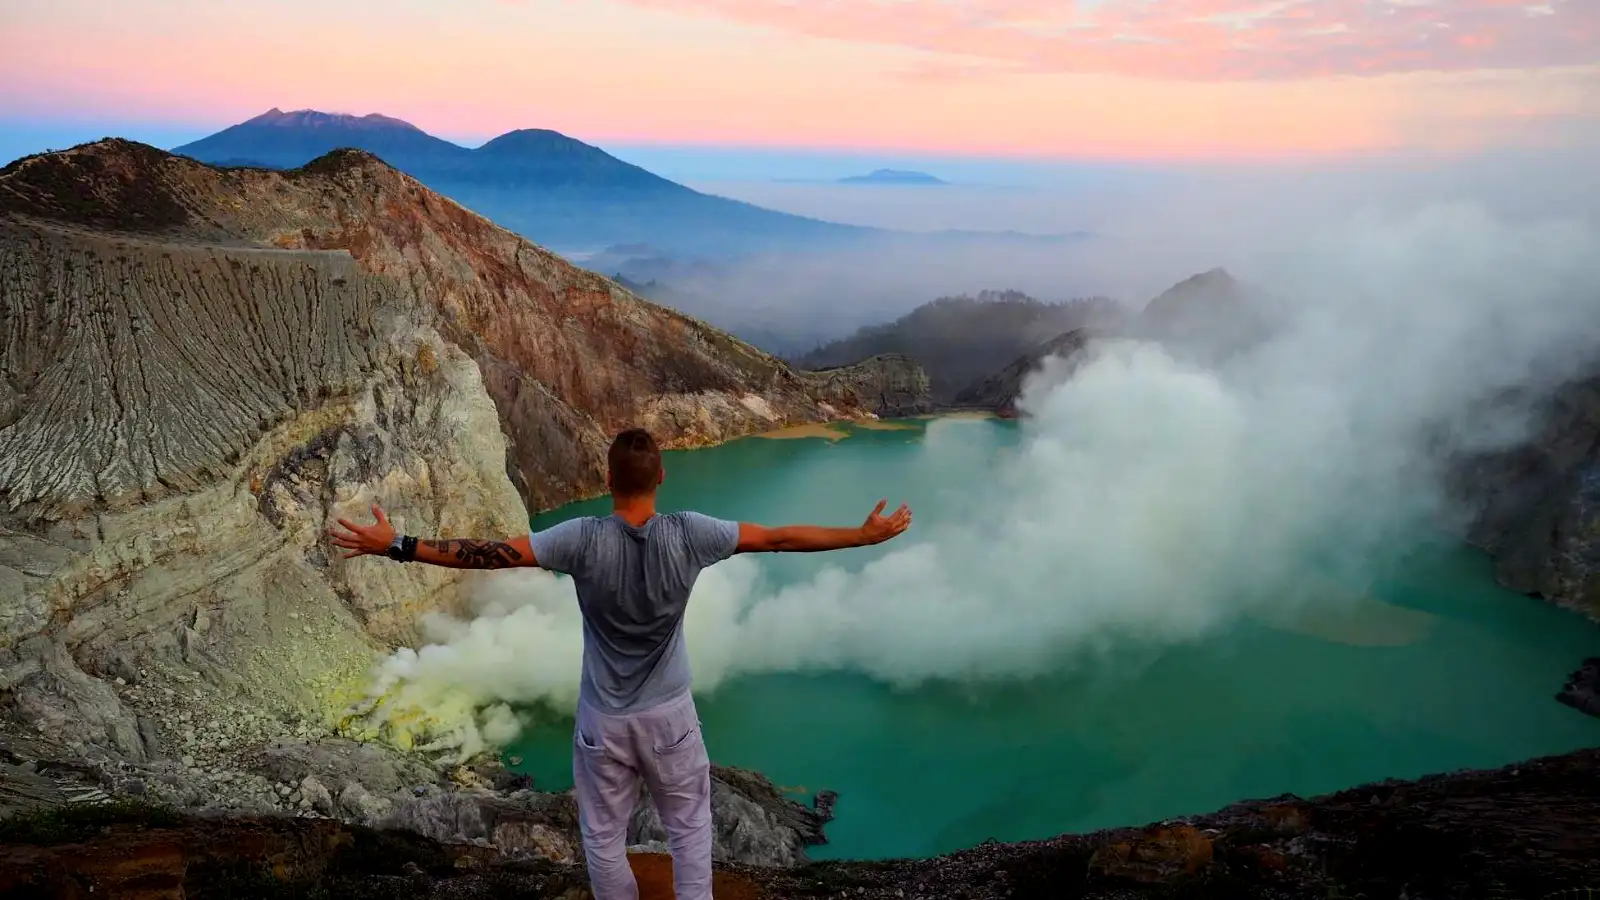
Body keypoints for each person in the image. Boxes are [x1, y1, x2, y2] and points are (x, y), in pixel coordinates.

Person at [328, 427, 912, 900]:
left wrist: (399, 544)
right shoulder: (692, 534)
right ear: (662, 478)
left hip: (603, 722)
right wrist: (861, 536)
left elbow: (488, 556)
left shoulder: (579, 539)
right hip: (670, 719)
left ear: (607, 480)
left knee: (604, 837)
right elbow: (780, 538)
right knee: (689, 833)